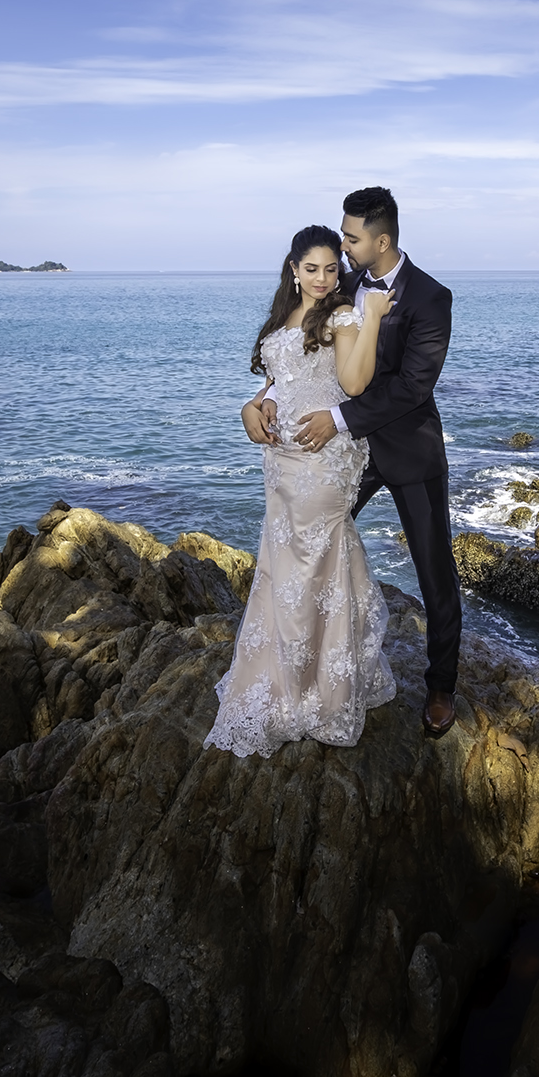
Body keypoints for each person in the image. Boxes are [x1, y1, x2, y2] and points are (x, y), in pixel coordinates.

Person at [249, 187, 462, 738]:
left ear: (381, 239)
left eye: (350, 239)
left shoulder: (432, 298)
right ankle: (310, 662)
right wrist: (261, 399)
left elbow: (414, 387)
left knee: (434, 568)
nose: (341, 249)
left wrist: (339, 420)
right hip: (344, 454)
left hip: (405, 449)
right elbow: (302, 350)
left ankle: (442, 685)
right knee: (314, 546)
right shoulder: (339, 284)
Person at [207, 223, 397, 758]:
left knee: (315, 561)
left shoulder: (342, 315)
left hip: (322, 459)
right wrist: (252, 406)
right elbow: (277, 383)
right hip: (281, 462)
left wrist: (374, 320)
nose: (321, 278)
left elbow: (355, 384)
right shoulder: (281, 318)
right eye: (311, 269)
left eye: (331, 269)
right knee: (284, 563)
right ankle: (293, 675)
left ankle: (320, 691)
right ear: (293, 269)